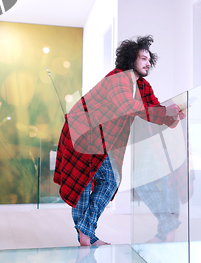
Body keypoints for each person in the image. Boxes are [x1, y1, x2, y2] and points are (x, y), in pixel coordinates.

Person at [53, 35, 184, 246]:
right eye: (143, 57)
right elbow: (127, 106)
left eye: (149, 59)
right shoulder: (117, 78)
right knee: (84, 186)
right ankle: (87, 236)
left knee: (110, 180)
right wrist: (165, 113)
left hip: (101, 142)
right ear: (131, 59)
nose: (147, 62)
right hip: (81, 133)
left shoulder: (143, 87)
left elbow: (155, 111)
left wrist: (173, 116)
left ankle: (86, 233)